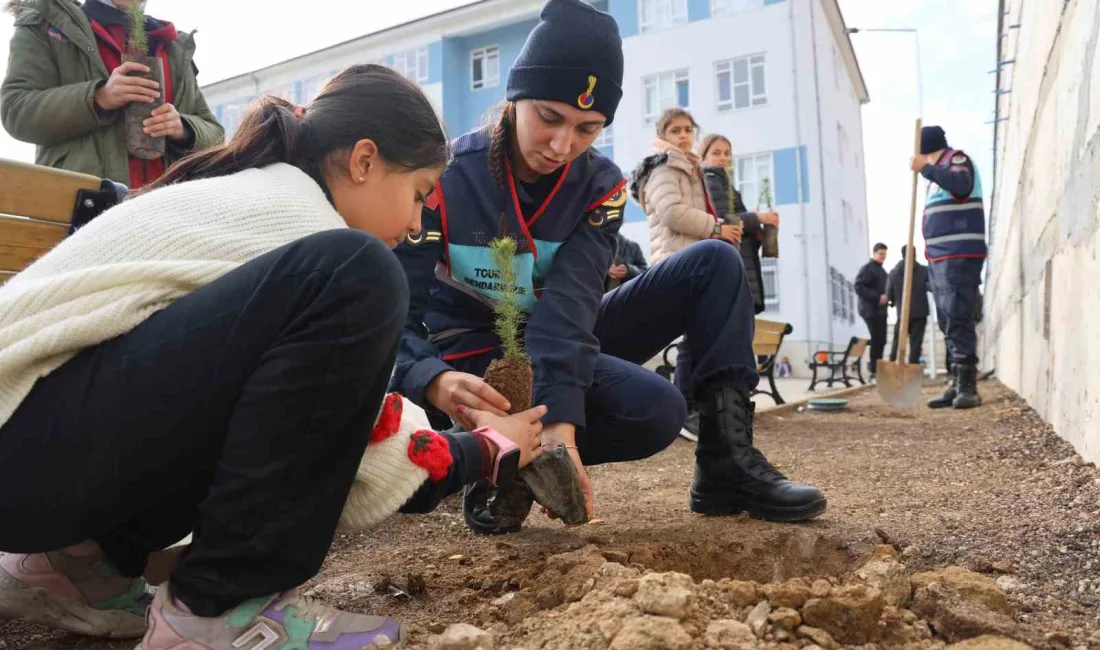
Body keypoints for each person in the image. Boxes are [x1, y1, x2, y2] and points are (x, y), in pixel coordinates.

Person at [0, 65, 547, 649]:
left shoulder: (263, 197)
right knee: (362, 272)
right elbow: (352, 442)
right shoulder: (298, 223)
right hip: (24, 458)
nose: (417, 223)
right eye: (417, 195)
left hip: (31, 452)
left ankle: (73, 568)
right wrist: (488, 447)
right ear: (364, 161)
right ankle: (219, 609)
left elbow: (287, 415)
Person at [393, 0, 826, 536]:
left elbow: (570, 308)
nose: (562, 145)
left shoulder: (600, 186)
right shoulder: (444, 178)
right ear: (515, 97)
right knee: (646, 405)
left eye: (588, 129)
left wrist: (561, 432)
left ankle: (726, 467)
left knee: (710, 269)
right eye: (549, 118)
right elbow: (394, 315)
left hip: (557, 336)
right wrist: (432, 380)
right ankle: (495, 459)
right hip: (474, 360)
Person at [1, 0, 224, 189]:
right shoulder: (47, 24)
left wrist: (183, 128)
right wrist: (99, 98)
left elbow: (215, 134)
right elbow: (16, 109)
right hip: (81, 210)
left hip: (166, 215)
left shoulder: (173, 47)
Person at [630, 110, 743, 440]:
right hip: (677, 261)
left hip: (690, 259)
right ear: (662, 134)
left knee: (699, 336)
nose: (683, 135)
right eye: (675, 130)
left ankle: (692, 407)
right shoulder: (665, 166)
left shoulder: (688, 166)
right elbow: (673, 213)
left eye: (688, 130)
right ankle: (684, 409)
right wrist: (717, 227)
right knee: (693, 341)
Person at [911, 126, 986, 409]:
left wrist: (925, 169)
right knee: (947, 320)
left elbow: (962, 186)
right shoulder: (936, 175)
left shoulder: (956, 160)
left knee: (958, 314)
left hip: (959, 253)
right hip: (940, 258)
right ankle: (956, 382)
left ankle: (969, 386)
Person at [698, 133, 780, 315]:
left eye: (727, 153)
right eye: (716, 153)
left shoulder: (724, 184)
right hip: (731, 263)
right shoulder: (710, 180)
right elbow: (723, 221)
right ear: (703, 157)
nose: (723, 158)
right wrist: (758, 218)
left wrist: (757, 233)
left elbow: (736, 224)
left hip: (741, 261)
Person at [887, 244, 930, 365]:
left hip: (902, 313)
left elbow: (889, 294)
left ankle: (892, 364)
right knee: (916, 343)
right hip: (920, 312)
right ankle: (913, 366)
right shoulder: (923, 270)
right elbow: (932, 287)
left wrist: (893, 302)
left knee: (898, 341)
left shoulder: (894, 272)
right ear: (915, 254)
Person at [854, 243, 889, 380]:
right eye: (881, 254)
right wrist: (877, 297)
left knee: (882, 340)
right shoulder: (867, 269)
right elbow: (858, 287)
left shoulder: (883, 272)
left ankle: (878, 369)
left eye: (885, 254)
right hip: (870, 311)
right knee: (875, 341)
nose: (883, 257)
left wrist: (889, 299)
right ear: (874, 253)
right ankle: (874, 370)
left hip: (881, 312)